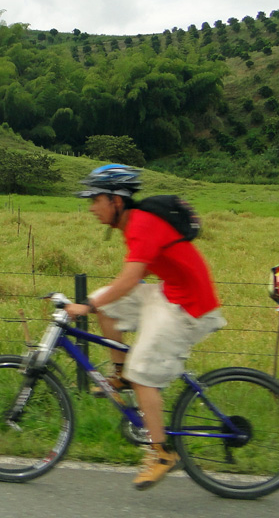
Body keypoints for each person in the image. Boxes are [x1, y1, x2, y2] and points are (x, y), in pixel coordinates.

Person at [66, 164, 226, 490]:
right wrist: (98, 303)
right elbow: (139, 276)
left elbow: (129, 279)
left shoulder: (142, 224)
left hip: (189, 306)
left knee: (143, 373)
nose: (91, 207)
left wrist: (86, 306)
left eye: (96, 199)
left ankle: (160, 453)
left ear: (117, 200)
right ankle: (120, 372)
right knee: (106, 303)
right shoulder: (132, 225)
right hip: (170, 293)